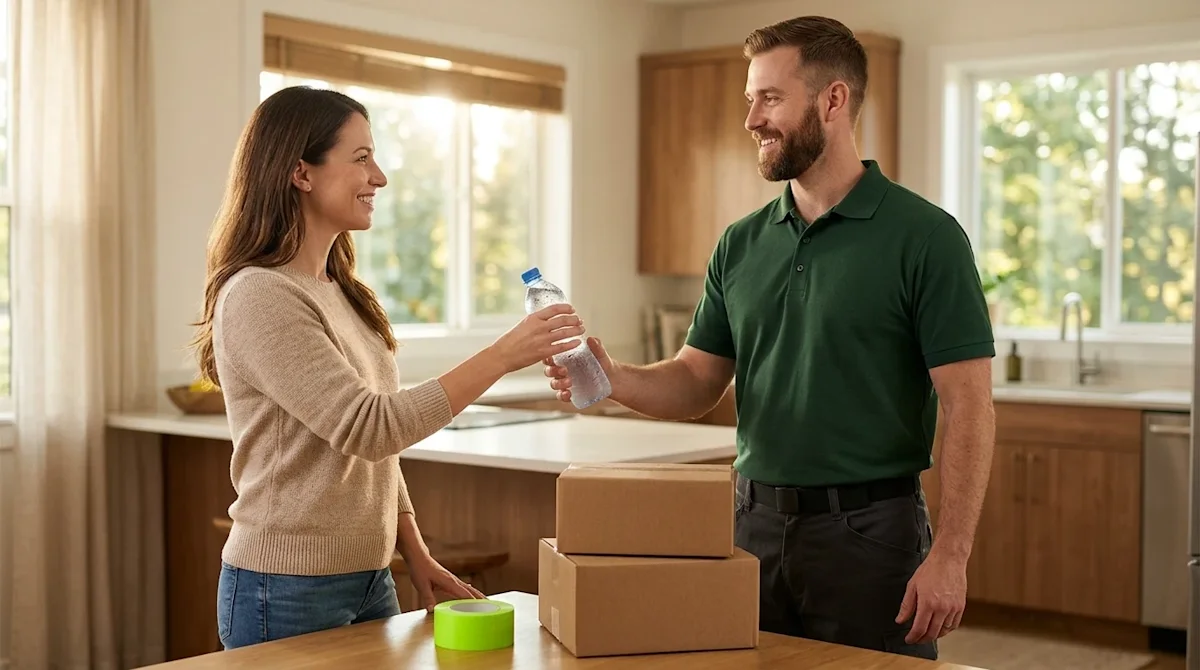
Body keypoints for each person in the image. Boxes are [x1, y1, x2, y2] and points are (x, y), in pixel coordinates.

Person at [544, 15, 995, 661]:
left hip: (869, 534)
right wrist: (612, 375)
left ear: (832, 99)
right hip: (748, 526)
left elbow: (971, 406)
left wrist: (950, 556)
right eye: (749, 99)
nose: (751, 119)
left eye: (770, 98)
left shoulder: (924, 237)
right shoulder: (741, 242)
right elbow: (696, 382)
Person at [192, 85, 586, 650]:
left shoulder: (341, 292)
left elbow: (373, 461)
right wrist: (503, 355)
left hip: (370, 577)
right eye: (360, 158)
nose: (379, 177)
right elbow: (370, 428)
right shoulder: (260, 294)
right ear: (301, 173)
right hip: (283, 588)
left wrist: (415, 553)